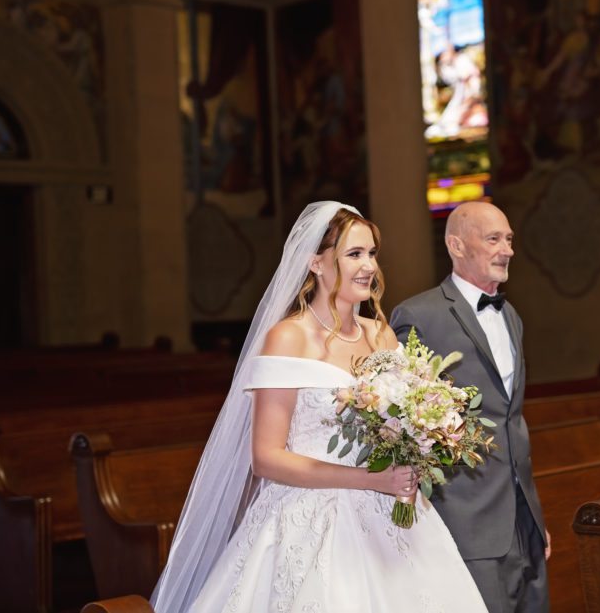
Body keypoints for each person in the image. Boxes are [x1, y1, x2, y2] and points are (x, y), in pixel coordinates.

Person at [152, 201, 488, 612]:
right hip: (310, 516)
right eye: (354, 254)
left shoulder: (380, 335)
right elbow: (266, 458)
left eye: (372, 254)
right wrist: (369, 479)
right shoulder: (289, 338)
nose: (368, 266)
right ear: (315, 262)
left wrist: (421, 440)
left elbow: (404, 419)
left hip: (392, 512)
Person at [391, 201, 551, 613]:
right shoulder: (419, 315)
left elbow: (511, 419)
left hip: (522, 522)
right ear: (456, 246)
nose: (508, 249)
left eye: (510, 239)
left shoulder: (511, 315)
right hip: (466, 521)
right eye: (494, 238)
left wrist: (533, 517)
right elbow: (401, 425)